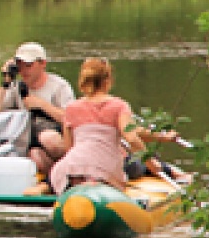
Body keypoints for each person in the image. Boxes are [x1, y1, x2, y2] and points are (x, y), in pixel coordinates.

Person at [49, 57, 144, 194]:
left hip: (70, 169)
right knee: (137, 165)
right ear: (107, 81)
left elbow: (69, 149)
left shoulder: (71, 108)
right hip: (104, 170)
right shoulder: (120, 105)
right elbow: (133, 139)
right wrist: (153, 163)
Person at [0, 42, 76, 177]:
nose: (24, 70)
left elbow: (71, 118)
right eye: (19, 65)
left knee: (48, 138)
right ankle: (53, 180)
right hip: (27, 139)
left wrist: (42, 105)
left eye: (28, 65)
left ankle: (69, 173)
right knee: (34, 156)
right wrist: (6, 82)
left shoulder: (59, 86)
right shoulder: (15, 87)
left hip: (54, 135)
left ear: (43, 64)